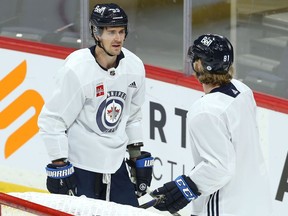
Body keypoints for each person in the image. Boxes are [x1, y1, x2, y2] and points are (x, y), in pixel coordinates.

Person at [38, 3, 153, 207]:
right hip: (82, 167)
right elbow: (53, 120)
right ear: (96, 33)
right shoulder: (77, 70)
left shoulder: (134, 67)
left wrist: (136, 155)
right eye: (111, 32)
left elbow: (133, 115)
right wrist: (59, 163)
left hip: (116, 166)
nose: (117, 39)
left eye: (121, 31)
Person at [151, 34, 273, 216]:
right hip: (256, 202)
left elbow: (219, 168)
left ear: (199, 65)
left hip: (226, 206)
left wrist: (185, 187)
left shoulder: (205, 110)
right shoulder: (243, 91)